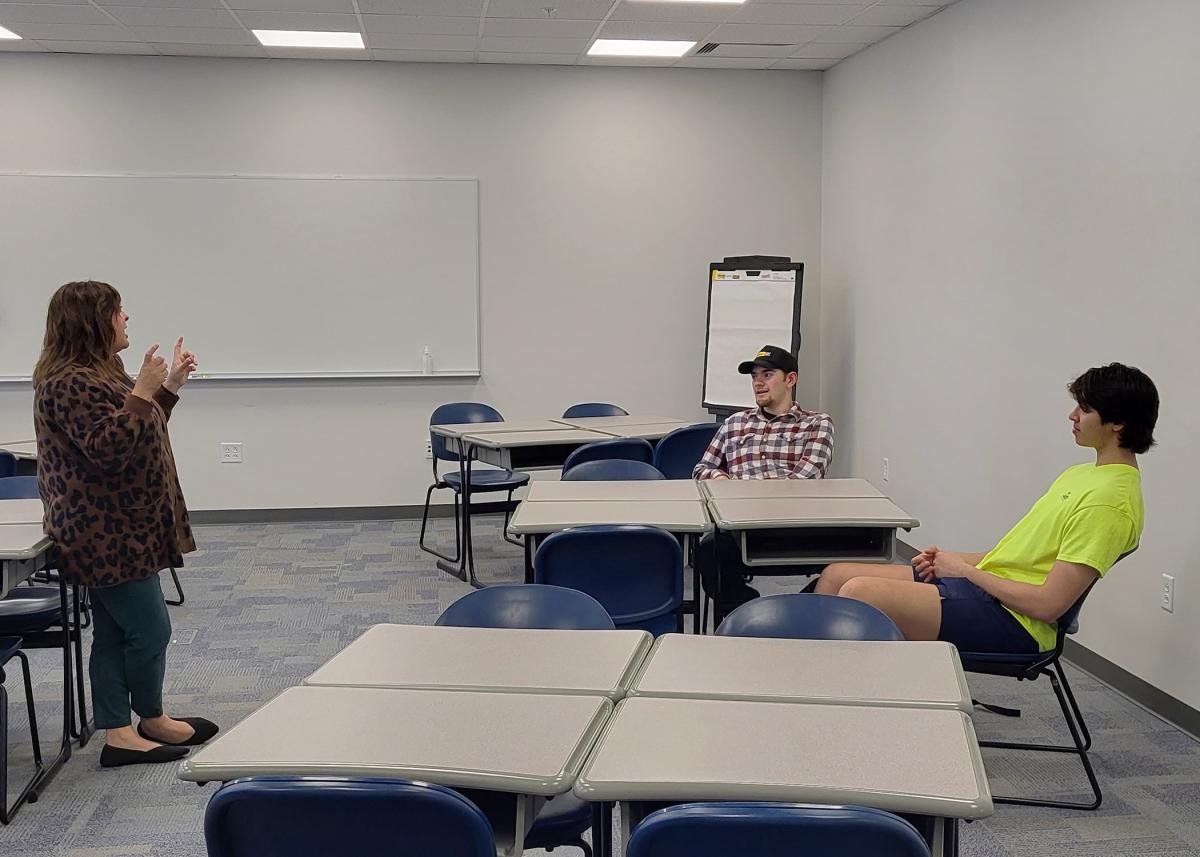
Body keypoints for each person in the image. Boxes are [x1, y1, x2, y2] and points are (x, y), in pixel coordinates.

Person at [816, 363, 1158, 653]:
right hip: (987, 590)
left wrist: (965, 572)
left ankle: (848, 701)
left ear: (1118, 423)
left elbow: (1048, 605)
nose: (1072, 415)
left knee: (859, 592)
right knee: (836, 574)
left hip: (1016, 621)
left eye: (1084, 408)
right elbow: (1019, 558)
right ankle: (809, 687)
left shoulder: (1110, 502)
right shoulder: (1083, 475)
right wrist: (951, 560)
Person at [33, 280, 218, 767]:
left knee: (116, 633)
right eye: (118, 311)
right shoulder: (66, 383)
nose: (126, 318)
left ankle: (141, 722)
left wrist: (168, 387)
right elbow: (107, 449)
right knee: (151, 630)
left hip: (128, 524)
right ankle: (122, 731)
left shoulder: (101, 371)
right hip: (102, 532)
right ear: (93, 321)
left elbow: (140, 429)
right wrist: (141, 389)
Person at [693, 344, 835, 625]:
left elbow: (804, 480)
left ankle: (800, 614)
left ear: (790, 380)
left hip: (792, 525)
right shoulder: (735, 423)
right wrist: (721, 479)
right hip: (739, 526)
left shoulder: (816, 424)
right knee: (709, 550)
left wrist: (742, 487)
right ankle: (746, 613)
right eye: (754, 376)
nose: (758, 382)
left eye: (767, 375)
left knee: (848, 556)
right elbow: (702, 468)